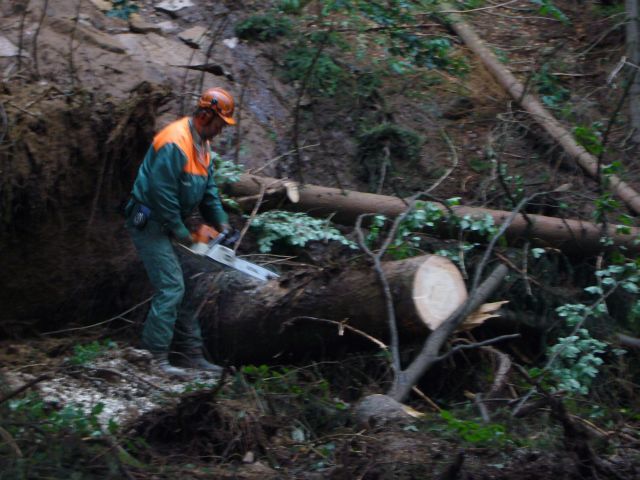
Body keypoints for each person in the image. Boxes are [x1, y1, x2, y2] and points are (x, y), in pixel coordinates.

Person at [124, 87, 235, 377]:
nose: (222, 130)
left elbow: (209, 190)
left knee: (192, 284)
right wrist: (182, 231)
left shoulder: (203, 147)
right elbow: (162, 193)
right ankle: (153, 357)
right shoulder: (176, 141)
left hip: (172, 222)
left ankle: (191, 353)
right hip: (148, 219)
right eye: (220, 124)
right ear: (204, 115)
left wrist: (222, 224)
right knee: (172, 286)